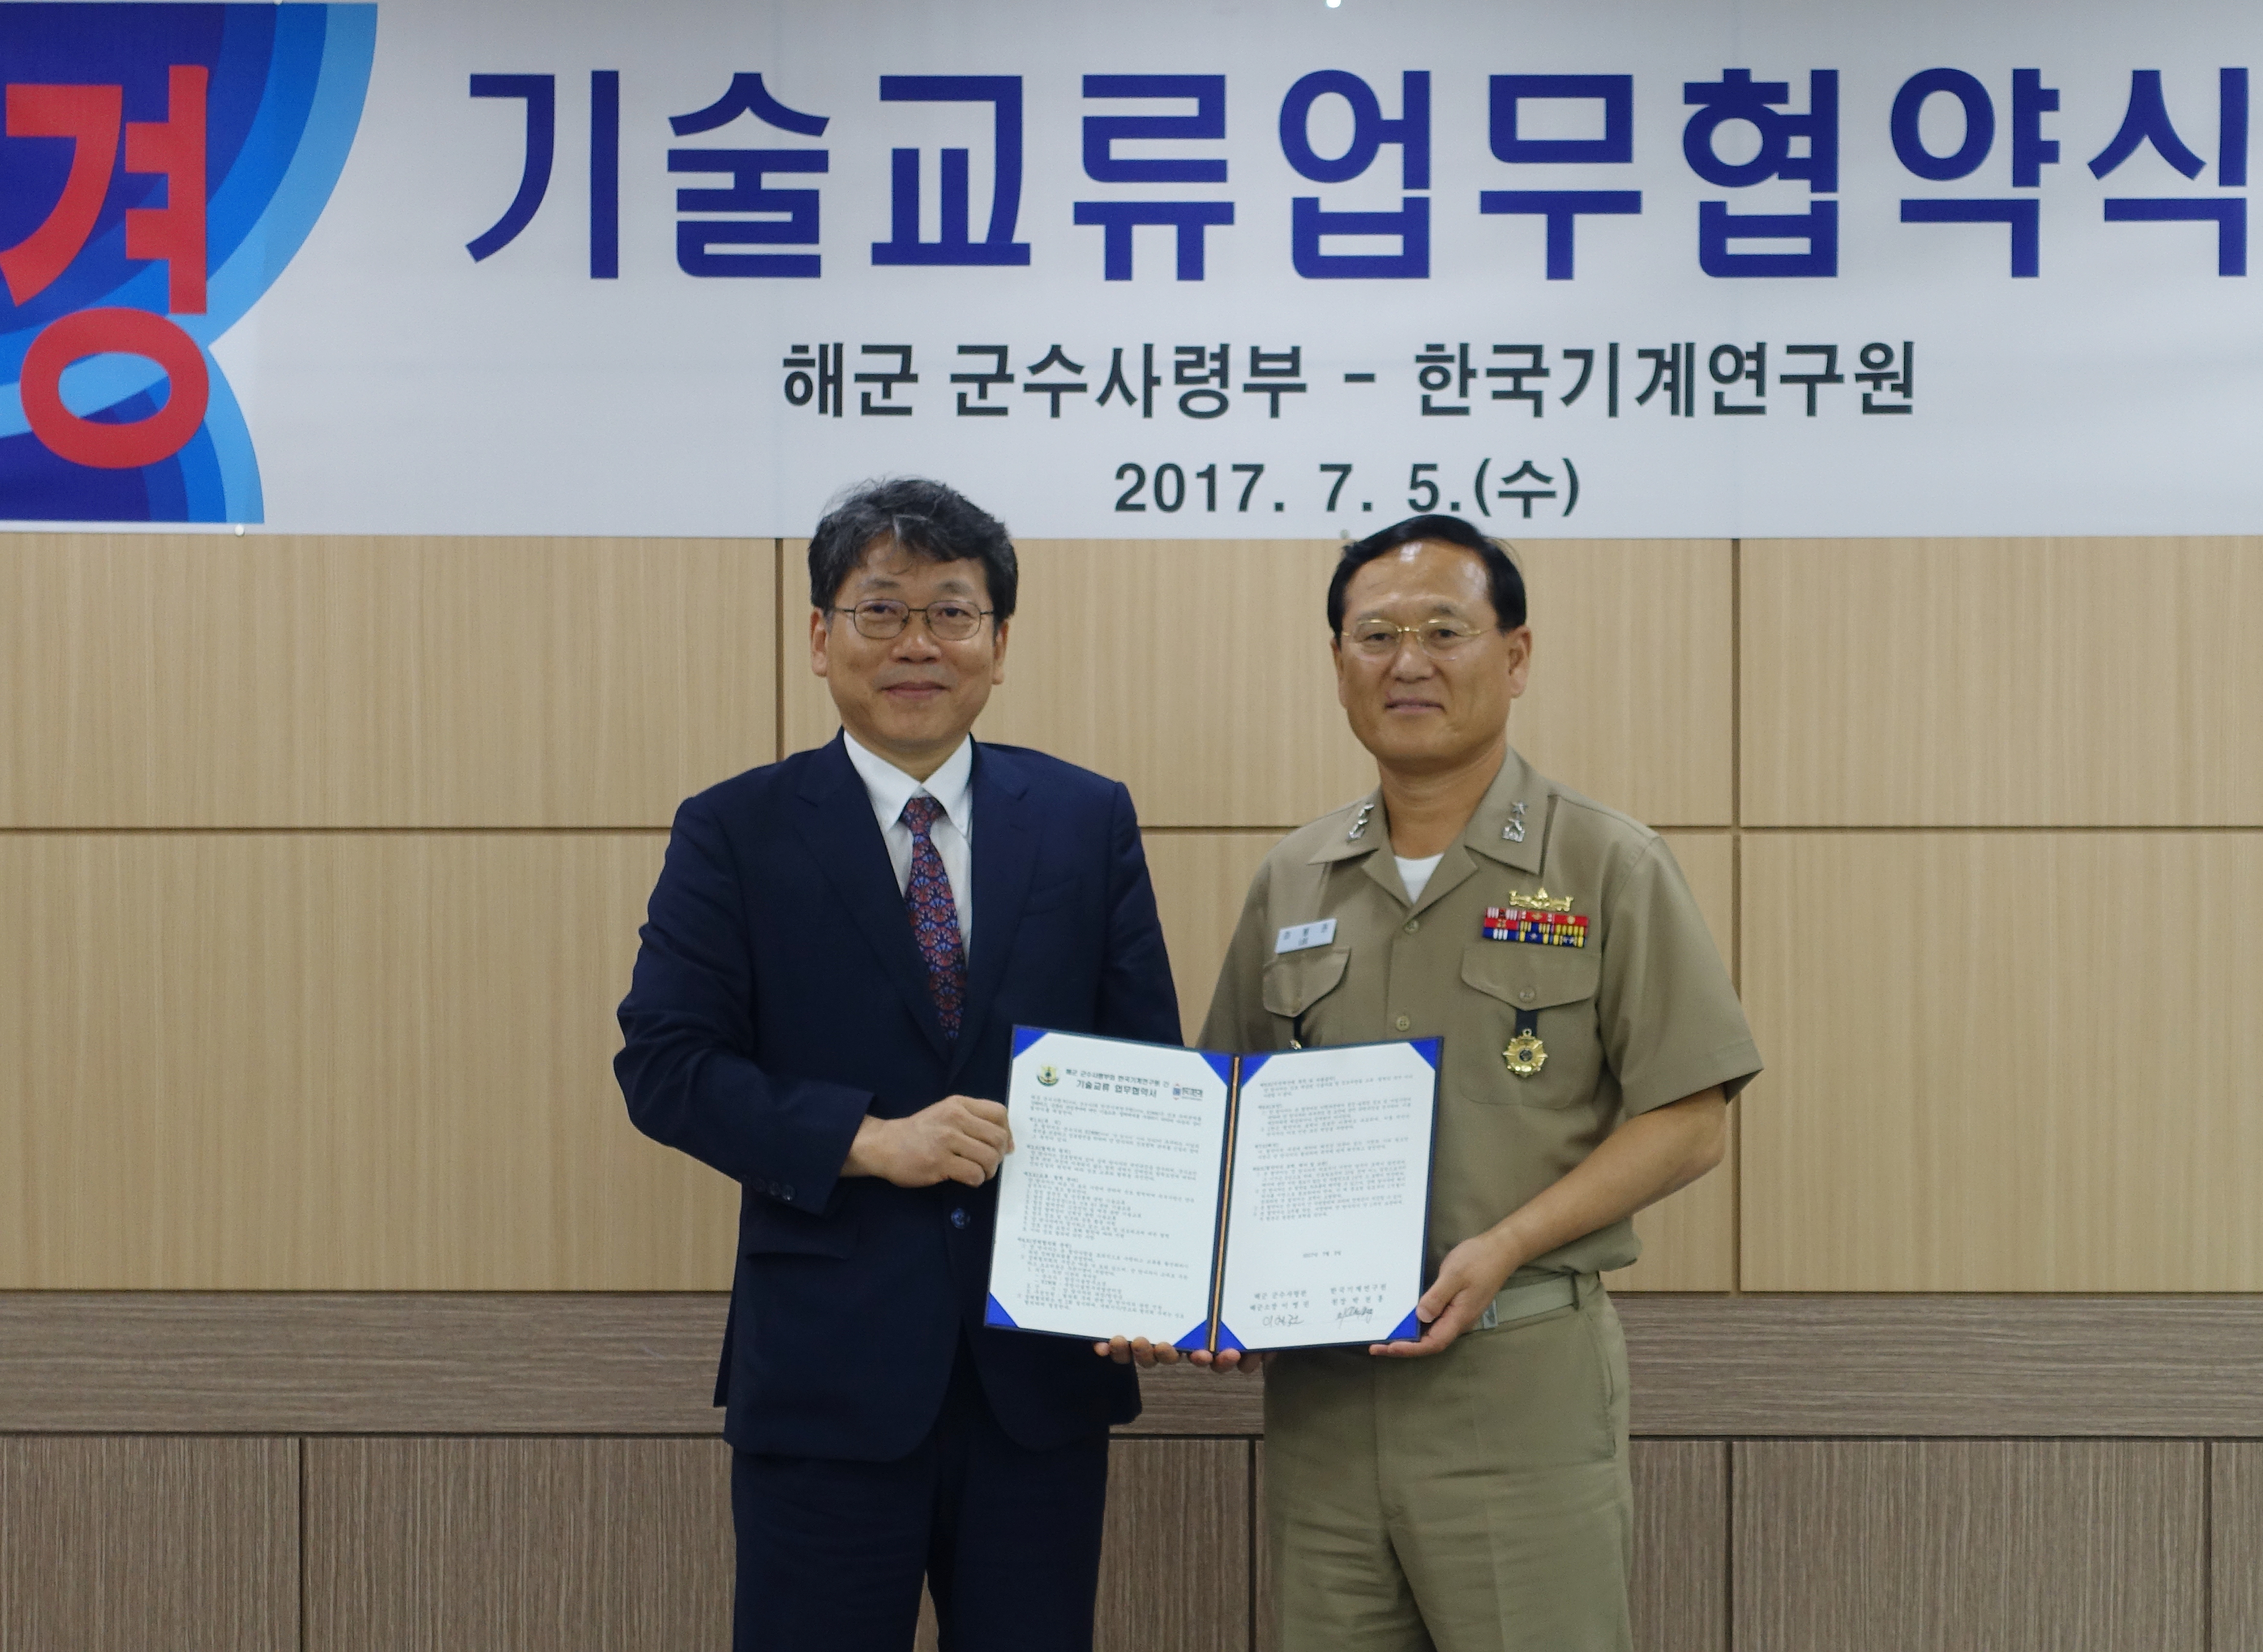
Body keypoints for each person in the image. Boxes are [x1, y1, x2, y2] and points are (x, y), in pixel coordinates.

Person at [615, 477, 1181, 1652]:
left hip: (1042, 1375)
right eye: (881, 610)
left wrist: (1155, 1269)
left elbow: (1145, 1071)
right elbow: (664, 1066)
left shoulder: (1086, 820)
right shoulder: (736, 829)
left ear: (1000, 642)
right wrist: (871, 1142)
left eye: (952, 612)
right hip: (827, 1385)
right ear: (820, 638)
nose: (918, 643)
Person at [1198, 514, 1761, 1652]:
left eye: (1444, 630)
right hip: (1322, 1400)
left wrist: (1505, 1242)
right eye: (1375, 636)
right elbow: (1228, 1118)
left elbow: (1690, 1121)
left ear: (1514, 656)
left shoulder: (1607, 862)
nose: (1408, 663)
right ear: (1340, 663)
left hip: (1519, 1387)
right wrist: (1203, 1282)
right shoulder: (1293, 875)